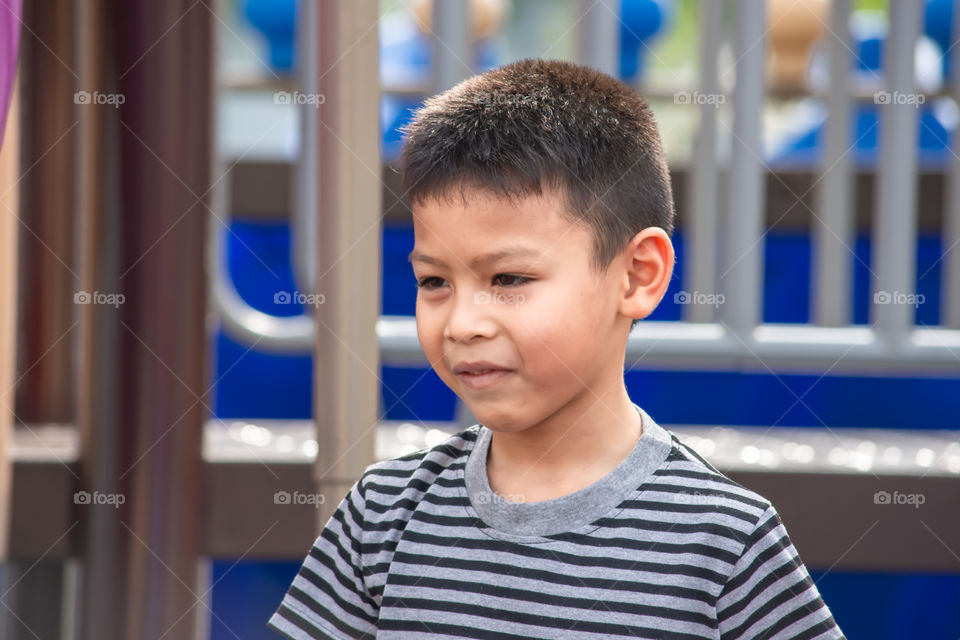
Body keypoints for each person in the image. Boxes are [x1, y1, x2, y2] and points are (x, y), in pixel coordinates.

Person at [268, 58, 846, 640]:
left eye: (509, 280)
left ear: (638, 276)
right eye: (434, 282)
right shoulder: (382, 514)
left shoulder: (723, 540)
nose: (463, 323)